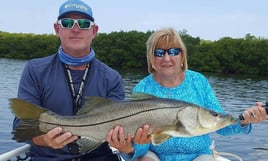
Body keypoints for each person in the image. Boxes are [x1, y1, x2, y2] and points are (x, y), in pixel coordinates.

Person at [106, 28, 267, 161]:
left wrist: (245, 120)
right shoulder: (143, 87)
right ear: (151, 58)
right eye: (159, 52)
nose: (167, 58)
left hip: (198, 156)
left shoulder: (198, 81)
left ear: (182, 56)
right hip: (156, 156)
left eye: (174, 51)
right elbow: (140, 150)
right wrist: (133, 146)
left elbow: (221, 125)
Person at [12, 0, 125, 160]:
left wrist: (127, 145)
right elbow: (21, 127)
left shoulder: (112, 77)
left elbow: (119, 130)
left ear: (94, 31)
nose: (76, 29)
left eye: (84, 23)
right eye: (67, 23)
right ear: (57, 29)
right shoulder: (35, 70)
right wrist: (44, 140)